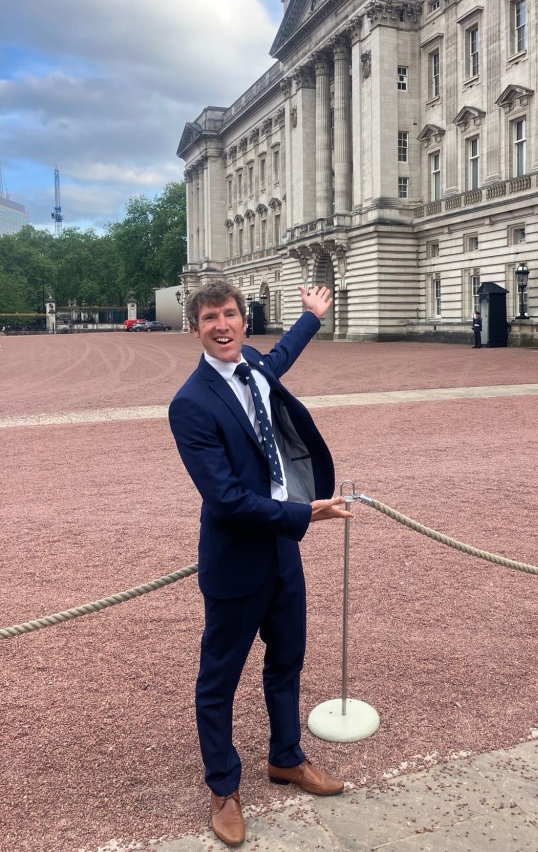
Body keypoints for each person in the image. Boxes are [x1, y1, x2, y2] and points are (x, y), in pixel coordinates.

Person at [169, 280, 352, 847]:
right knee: (219, 679)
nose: (221, 326)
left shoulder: (252, 363)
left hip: (281, 553)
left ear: (244, 321)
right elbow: (225, 500)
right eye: (209, 318)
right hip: (235, 560)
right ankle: (224, 788)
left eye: (229, 314)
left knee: (287, 660)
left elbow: (279, 358)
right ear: (194, 329)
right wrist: (303, 514)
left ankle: (286, 758)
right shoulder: (190, 404)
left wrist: (311, 317)